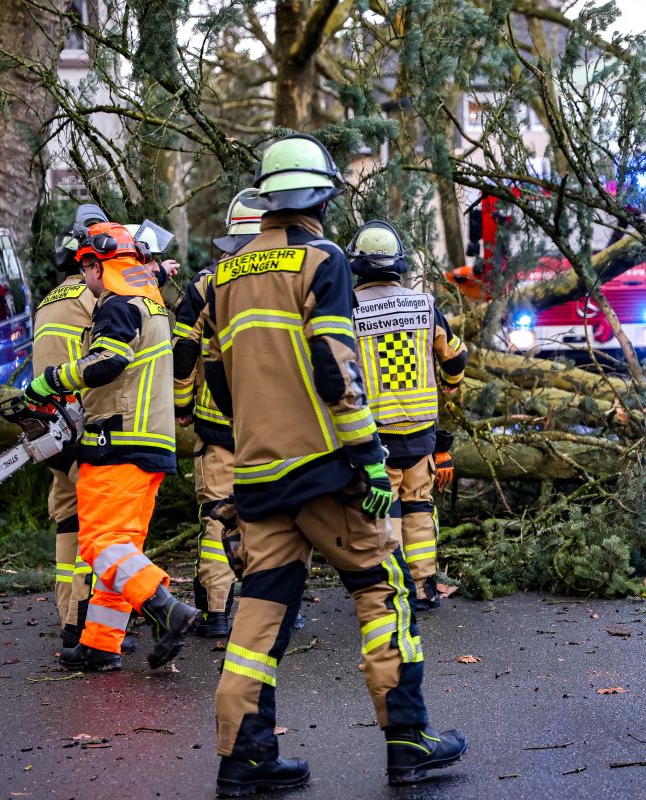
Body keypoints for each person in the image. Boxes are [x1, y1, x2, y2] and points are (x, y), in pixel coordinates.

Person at [203, 134, 467, 796]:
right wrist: (369, 462)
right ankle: (408, 741)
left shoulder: (223, 277)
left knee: (258, 617)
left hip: (257, 476)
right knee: (383, 589)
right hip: (327, 471)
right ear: (322, 196)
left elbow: (218, 381)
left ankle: (244, 757)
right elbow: (337, 371)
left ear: (266, 199)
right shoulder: (320, 261)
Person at [23, 206, 199, 672]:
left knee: (99, 542)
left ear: (100, 265)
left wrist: (50, 382)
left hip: (117, 438)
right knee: (121, 547)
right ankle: (101, 644)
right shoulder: (151, 303)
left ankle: (166, 609)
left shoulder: (118, 305)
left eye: (87, 267)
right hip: (151, 442)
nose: (86, 277)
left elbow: (106, 364)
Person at [347, 220, 467, 610]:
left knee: (387, 509)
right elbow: (455, 356)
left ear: (358, 264)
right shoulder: (425, 304)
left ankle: (391, 591)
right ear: (398, 262)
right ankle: (424, 588)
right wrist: (451, 381)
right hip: (420, 431)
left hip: (374, 434)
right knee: (418, 505)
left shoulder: (349, 308)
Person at [171, 190, 263, 637]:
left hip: (218, 424)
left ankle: (217, 612)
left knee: (218, 517)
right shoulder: (286, 280)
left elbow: (184, 350)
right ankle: (278, 607)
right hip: (275, 426)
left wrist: (183, 405)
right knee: (276, 517)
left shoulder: (206, 284)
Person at [32, 233, 96, 648]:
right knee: (96, 522)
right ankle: (84, 618)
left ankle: (66, 616)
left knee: (68, 519)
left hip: (49, 426)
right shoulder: (93, 299)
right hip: (83, 424)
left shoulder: (47, 301)